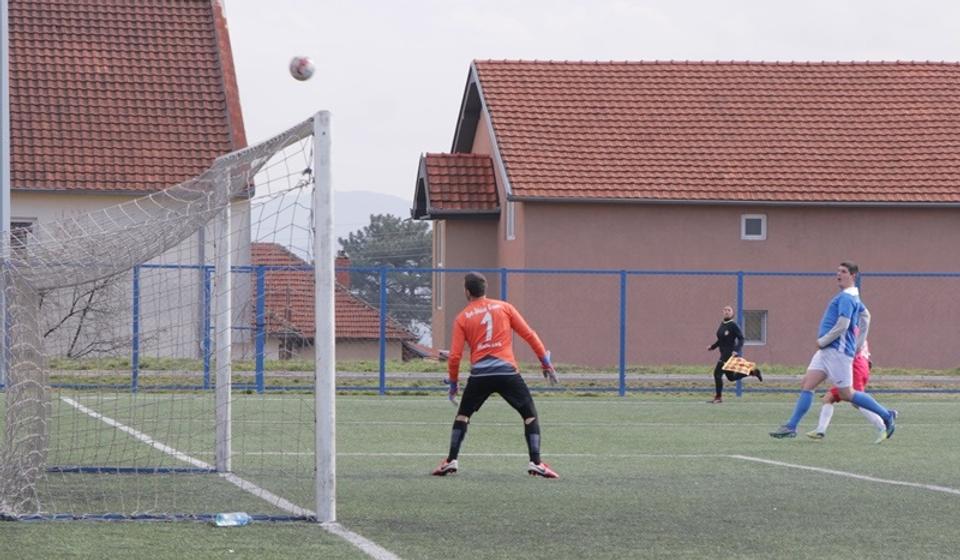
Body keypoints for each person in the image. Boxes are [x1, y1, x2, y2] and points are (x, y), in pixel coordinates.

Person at [431, 272, 560, 478]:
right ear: (485, 289)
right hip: (507, 372)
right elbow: (529, 335)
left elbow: (455, 356)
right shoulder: (505, 307)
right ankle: (536, 462)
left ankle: (451, 460)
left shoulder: (462, 317)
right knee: (529, 415)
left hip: (480, 375)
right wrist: (546, 363)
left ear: (467, 292)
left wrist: (454, 384)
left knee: (463, 415)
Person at [770, 262, 896, 442]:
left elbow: (843, 324)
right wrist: (859, 344)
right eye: (838, 271)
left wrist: (824, 340)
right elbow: (866, 317)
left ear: (853, 276)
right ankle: (791, 426)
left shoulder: (847, 297)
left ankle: (886, 415)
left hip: (837, 351)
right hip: (827, 351)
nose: (838, 274)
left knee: (848, 394)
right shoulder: (852, 296)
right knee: (807, 384)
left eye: (843, 272)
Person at [806, 339, 898, 442]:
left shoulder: (846, 331)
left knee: (857, 401)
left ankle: (883, 425)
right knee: (829, 398)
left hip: (856, 366)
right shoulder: (856, 331)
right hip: (860, 365)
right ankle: (820, 431)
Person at [707, 305, 762, 403]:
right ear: (723, 312)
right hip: (723, 353)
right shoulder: (722, 324)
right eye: (725, 310)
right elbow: (720, 340)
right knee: (731, 377)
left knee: (717, 374)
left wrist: (737, 349)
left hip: (729, 354)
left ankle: (718, 398)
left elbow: (741, 338)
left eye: (729, 310)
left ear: (732, 313)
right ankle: (752, 372)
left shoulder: (733, 325)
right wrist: (712, 347)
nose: (726, 311)